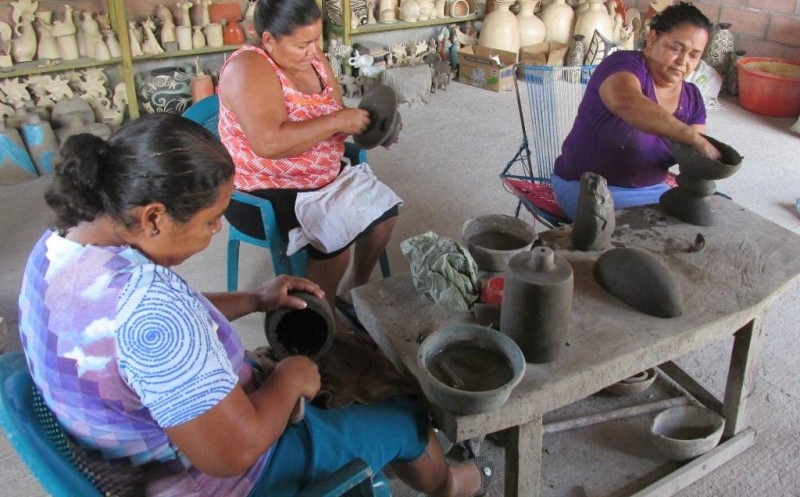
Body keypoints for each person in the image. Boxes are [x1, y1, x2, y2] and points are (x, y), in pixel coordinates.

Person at [18, 114, 491, 496]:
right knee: (404, 412)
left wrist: (254, 299)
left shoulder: (59, 248)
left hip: (123, 449)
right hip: (214, 479)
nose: (217, 231)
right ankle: (450, 485)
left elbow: (142, 329)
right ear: (154, 218)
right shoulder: (151, 311)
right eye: (210, 221)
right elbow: (232, 453)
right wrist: (289, 381)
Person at [218, 0, 398, 315]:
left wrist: (374, 128)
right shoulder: (249, 68)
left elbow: (336, 114)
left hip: (322, 176)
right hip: (262, 191)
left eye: (316, 40)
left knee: (384, 215)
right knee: (336, 242)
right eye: (302, 44)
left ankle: (352, 289)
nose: (314, 51)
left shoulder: (314, 59)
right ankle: (321, 316)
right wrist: (337, 121)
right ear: (269, 40)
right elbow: (268, 142)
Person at [551, 2, 723, 221]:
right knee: (645, 231)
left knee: (721, 215)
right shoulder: (623, 65)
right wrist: (695, 139)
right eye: (676, 48)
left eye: (693, 55)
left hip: (653, 190)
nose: (683, 61)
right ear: (652, 39)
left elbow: (693, 160)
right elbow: (628, 102)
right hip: (587, 186)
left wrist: (704, 165)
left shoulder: (692, 98)